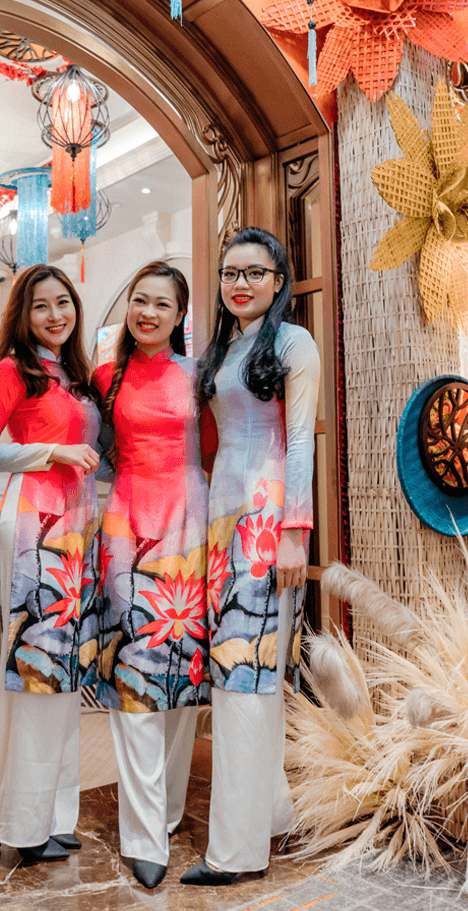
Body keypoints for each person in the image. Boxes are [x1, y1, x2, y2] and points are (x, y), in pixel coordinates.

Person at [182, 228, 320, 886]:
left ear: (277, 278)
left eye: (255, 273)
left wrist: (296, 530)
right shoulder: (222, 348)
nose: (240, 283)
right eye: (230, 273)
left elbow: (299, 444)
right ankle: (270, 814)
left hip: (267, 522)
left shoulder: (293, 344)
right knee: (242, 676)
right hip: (220, 519)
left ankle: (234, 852)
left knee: (244, 677)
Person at [0, 264, 100, 864]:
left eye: (63, 302)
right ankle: (23, 821)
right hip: (35, 530)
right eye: (41, 306)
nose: (55, 315)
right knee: (38, 674)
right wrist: (52, 450)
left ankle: (55, 813)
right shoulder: (11, 371)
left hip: (78, 530)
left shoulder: (77, 375)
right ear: (23, 315)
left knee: (63, 679)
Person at [90, 262, 207, 889]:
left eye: (164, 304)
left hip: (189, 525)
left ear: (180, 316)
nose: (150, 312)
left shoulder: (198, 376)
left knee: (184, 677)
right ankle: (141, 832)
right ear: (128, 305)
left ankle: (165, 810)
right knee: (134, 679)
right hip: (127, 528)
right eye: (140, 299)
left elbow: (214, 448)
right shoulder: (106, 376)